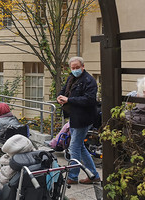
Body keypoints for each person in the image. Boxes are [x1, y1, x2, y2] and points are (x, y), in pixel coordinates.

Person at [57, 56, 100, 184]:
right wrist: (60, 97)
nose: (75, 69)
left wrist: (69, 100)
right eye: (73, 68)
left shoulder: (89, 80)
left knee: (74, 148)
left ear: (83, 66)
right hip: (75, 116)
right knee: (80, 147)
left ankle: (73, 176)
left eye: (77, 67)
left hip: (83, 118)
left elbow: (89, 100)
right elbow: (64, 90)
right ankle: (94, 175)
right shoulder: (72, 78)